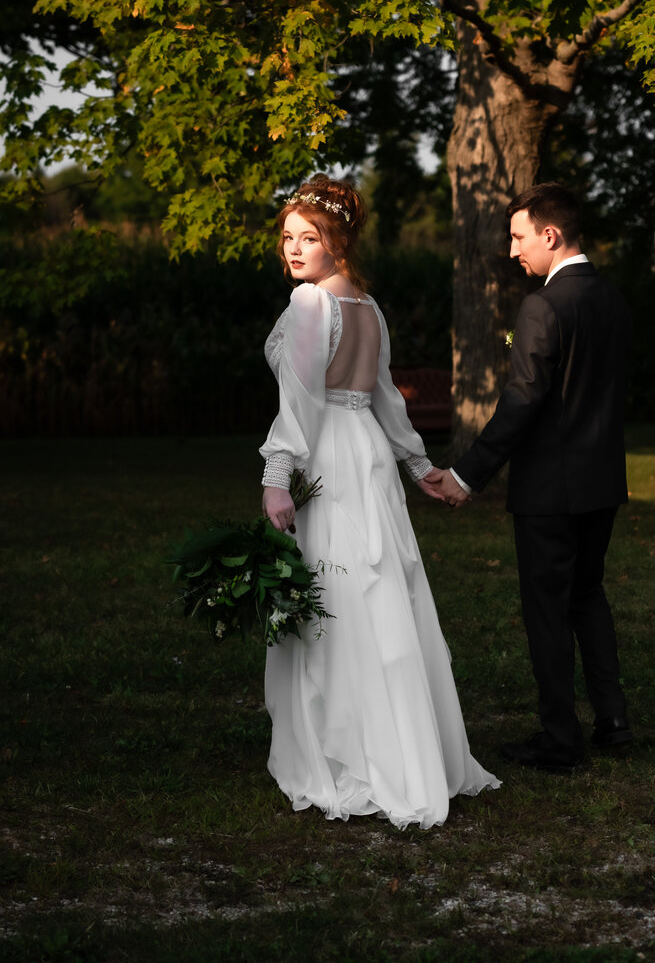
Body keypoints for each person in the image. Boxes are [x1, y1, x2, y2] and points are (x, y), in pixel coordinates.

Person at [259, 175, 499, 827]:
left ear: (339, 240)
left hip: (330, 454)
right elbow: (388, 402)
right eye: (288, 237)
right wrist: (417, 464)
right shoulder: (368, 305)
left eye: (310, 237)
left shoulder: (311, 304)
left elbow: (301, 399)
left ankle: (350, 755)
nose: (295, 249)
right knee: (377, 592)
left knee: (335, 593)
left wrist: (276, 475)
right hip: (365, 452)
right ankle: (405, 748)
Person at [428, 182, 632, 774]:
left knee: (546, 609)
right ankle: (613, 720)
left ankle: (560, 738)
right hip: (602, 481)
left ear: (551, 234)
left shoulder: (544, 305)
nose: (513, 250)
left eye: (519, 237)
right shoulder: (612, 299)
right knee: (588, 594)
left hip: (551, 489)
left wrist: (467, 475)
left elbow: (522, 401)